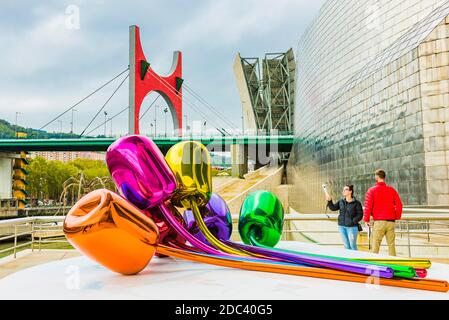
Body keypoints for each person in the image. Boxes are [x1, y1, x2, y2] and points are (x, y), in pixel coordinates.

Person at [363, 169, 402, 256]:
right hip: (391, 221)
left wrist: (366, 220)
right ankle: (393, 266)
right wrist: (396, 216)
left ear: (376, 177)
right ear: (384, 177)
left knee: (375, 246)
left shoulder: (371, 190)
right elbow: (399, 205)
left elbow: (368, 206)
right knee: (391, 245)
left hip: (379, 221)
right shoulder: (391, 190)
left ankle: (373, 266)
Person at [326, 185, 363, 250]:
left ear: (350, 191)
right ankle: (348, 260)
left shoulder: (356, 203)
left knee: (352, 246)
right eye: (343, 189)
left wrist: (353, 221)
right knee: (346, 246)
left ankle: (355, 259)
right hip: (342, 227)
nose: (343, 191)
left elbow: (360, 215)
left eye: (346, 189)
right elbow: (333, 208)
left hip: (352, 227)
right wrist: (329, 201)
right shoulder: (341, 202)